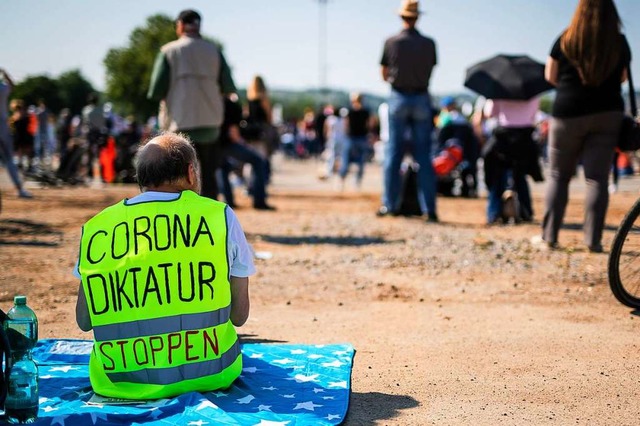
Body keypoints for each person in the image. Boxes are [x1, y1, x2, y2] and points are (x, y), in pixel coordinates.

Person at [75, 132, 253, 400]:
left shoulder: (98, 227)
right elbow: (239, 316)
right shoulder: (219, 216)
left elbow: (84, 321)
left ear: (141, 179)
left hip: (119, 382)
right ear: (191, 173)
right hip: (213, 373)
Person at [537, 0, 631, 252]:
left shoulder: (566, 39)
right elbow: (622, 77)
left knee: (558, 175)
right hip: (607, 113)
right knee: (597, 179)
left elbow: (550, 76)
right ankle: (593, 241)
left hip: (568, 112)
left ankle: (550, 236)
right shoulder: (618, 42)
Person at [148, 9, 237, 200]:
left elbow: (156, 90)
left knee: (179, 177)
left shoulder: (168, 51)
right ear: (198, 25)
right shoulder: (214, 51)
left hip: (179, 124)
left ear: (179, 25)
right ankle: (211, 220)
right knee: (209, 177)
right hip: (210, 124)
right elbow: (228, 86)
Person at [378, 0, 438, 222]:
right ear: (417, 17)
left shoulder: (391, 42)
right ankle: (429, 208)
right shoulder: (429, 43)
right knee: (424, 155)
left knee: (393, 153)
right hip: (422, 97)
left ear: (402, 17)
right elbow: (430, 69)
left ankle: (389, 204)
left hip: (399, 97)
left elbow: (384, 73)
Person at [481, 97, 543, 224]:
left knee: (497, 177)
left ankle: (493, 213)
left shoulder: (499, 91)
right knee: (520, 177)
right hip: (525, 138)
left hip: (503, 138)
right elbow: (534, 115)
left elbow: (489, 113)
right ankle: (526, 212)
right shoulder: (531, 93)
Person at [218, 94, 274, 210]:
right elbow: (233, 132)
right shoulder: (230, 104)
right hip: (228, 143)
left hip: (212, 143)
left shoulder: (210, 101)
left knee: (222, 168)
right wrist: (242, 143)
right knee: (258, 161)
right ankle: (259, 200)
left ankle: (229, 201)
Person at [0, 68, 32, 199]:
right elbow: (12, 85)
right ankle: (19, 189)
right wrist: (5, 74)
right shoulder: (2, 88)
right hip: (2, 127)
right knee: (9, 159)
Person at [340, 93, 371, 190]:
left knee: (346, 160)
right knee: (360, 162)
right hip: (361, 138)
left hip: (352, 138)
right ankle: (357, 183)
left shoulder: (349, 111)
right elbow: (369, 125)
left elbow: (346, 124)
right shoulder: (365, 111)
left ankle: (343, 182)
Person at [81, 92, 107, 181]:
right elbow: (102, 123)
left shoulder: (86, 110)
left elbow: (84, 123)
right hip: (99, 134)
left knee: (89, 155)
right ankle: (102, 176)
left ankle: (89, 175)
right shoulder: (101, 110)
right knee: (99, 155)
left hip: (89, 133)